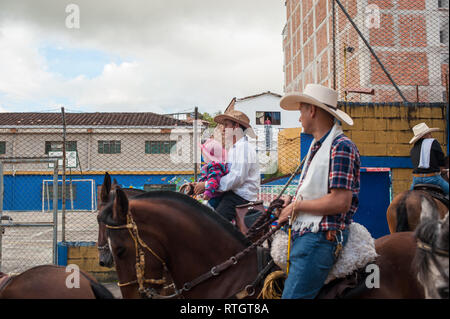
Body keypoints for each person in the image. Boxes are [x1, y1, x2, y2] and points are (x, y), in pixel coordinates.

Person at [276, 84, 361, 299]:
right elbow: (314, 192)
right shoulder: (318, 147)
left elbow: (340, 201)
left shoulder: (341, 147)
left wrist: (296, 206)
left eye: (300, 111)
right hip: (307, 233)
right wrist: (292, 200)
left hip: (320, 238)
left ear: (312, 111)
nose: (299, 118)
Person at [194, 110, 260, 222]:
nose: (223, 129)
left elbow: (236, 178)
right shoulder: (235, 149)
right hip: (234, 194)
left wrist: (207, 185)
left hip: (241, 198)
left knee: (215, 224)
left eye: (226, 125)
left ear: (236, 127)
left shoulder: (243, 149)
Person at [409, 122, 449, 196]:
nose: (431, 135)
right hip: (433, 178)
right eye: (429, 133)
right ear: (424, 135)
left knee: (407, 196)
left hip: (416, 180)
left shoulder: (413, 149)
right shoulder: (433, 142)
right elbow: (441, 161)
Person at [198, 138, 229, 209]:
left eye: (204, 153)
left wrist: (208, 192)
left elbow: (214, 179)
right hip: (212, 195)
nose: (203, 156)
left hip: (214, 196)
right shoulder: (209, 166)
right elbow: (206, 178)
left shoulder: (215, 166)